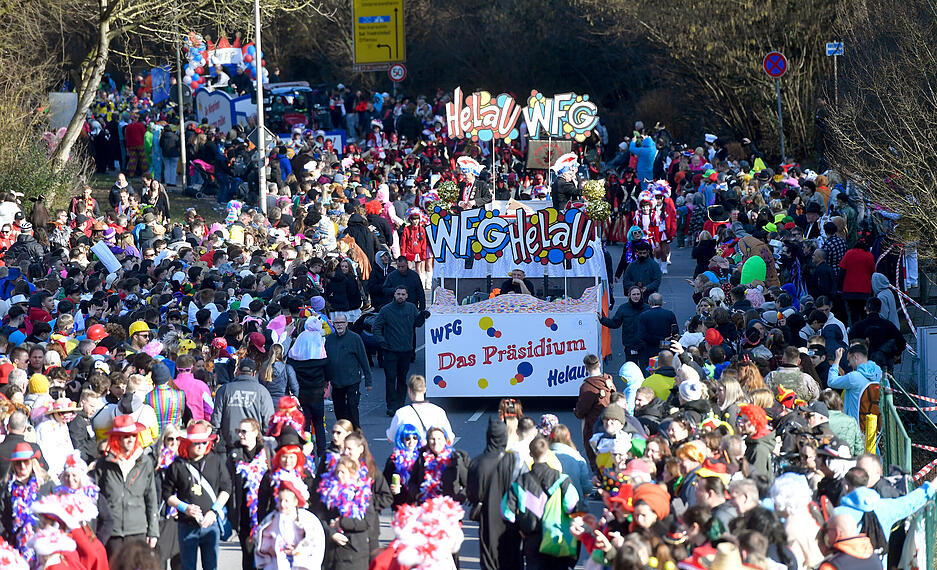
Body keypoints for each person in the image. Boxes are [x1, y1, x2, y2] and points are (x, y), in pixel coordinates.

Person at [161, 421, 232, 570]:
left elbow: (226, 488)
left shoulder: (215, 461)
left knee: (211, 566)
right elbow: (167, 493)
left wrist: (215, 511)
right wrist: (184, 507)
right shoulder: (177, 465)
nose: (201, 446)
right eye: (196, 443)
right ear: (188, 443)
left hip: (210, 523)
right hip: (186, 524)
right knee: (187, 567)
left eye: (204, 442)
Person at [501, 437, 580, 570]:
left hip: (531, 537)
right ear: (548, 452)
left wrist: (520, 527)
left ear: (530, 454)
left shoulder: (521, 482)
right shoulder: (562, 480)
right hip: (557, 536)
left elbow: (507, 513)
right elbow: (572, 505)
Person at [94, 415, 159, 555]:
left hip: (137, 530)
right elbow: (95, 498)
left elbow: (151, 498)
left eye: (133, 435)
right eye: (125, 436)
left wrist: (153, 532)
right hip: (112, 532)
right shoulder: (103, 463)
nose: (131, 439)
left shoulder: (145, 462)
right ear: (116, 438)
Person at [372, 286, 429, 415]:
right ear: (394, 295)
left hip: (406, 350)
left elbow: (418, 323)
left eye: (403, 294)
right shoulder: (386, 310)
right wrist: (382, 341)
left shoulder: (411, 308)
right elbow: (376, 327)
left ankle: (400, 404)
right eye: (398, 294)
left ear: (407, 296)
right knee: (391, 378)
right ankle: (391, 405)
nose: (401, 296)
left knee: (402, 378)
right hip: (390, 350)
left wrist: (423, 316)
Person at [253, 474, 325, 570]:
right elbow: (260, 541)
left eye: (286, 501)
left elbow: (316, 546)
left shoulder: (308, 520)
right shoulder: (270, 519)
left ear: (295, 502)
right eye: (280, 500)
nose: (283, 504)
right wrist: (270, 549)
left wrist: (297, 551)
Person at [0, 441, 54, 563]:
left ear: (33, 463)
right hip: (16, 546)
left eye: (26, 462)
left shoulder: (47, 485)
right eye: (18, 463)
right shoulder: (6, 487)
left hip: (43, 546)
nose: (22, 466)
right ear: (13, 465)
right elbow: (2, 516)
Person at [228, 418, 269, 570]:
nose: (241, 435)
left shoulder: (266, 454)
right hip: (244, 515)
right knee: (248, 555)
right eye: (239, 431)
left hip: (264, 514)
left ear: (255, 432)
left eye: (244, 431)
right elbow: (228, 484)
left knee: (266, 557)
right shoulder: (234, 455)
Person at [211, 357, 274, 452]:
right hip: (253, 444)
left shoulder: (224, 390)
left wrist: (214, 435)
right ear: (253, 373)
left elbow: (216, 418)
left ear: (238, 371)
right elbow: (268, 419)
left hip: (229, 444)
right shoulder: (262, 391)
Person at [324, 313, 372, 428]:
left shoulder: (355, 338)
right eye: (337, 323)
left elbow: (364, 360)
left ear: (346, 324)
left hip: (352, 380)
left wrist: (368, 381)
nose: (339, 325)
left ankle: (356, 432)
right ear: (333, 324)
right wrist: (325, 380)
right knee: (339, 410)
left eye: (341, 322)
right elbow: (325, 360)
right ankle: (343, 432)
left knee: (352, 407)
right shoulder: (329, 339)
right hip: (336, 382)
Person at [574, 353, 616, 470]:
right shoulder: (608, 382)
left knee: (595, 456)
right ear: (599, 365)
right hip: (611, 421)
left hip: (594, 425)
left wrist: (576, 412)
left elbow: (582, 410)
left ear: (586, 367)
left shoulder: (587, 387)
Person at [385, 374, 453, 442]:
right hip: (432, 451)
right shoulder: (438, 411)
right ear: (425, 390)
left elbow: (391, 437)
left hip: (411, 451)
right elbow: (450, 437)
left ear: (409, 390)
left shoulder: (401, 413)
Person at [828, 345, 882, 424]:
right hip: (877, 427)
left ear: (855, 357)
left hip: (856, 427)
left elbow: (831, 381)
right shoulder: (881, 375)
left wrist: (837, 359)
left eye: (849, 360)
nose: (849, 365)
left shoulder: (854, 377)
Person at [599, 285, 648, 364]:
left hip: (644, 345)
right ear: (629, 295)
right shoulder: (623, 308)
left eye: (638, 294)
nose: (636, 296)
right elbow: (615, 323)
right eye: (634, 294)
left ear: (641, 295)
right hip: (630, 345)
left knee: (645, 370)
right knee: (631, 370)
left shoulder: (647, 308)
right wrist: (602, 319)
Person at [383, 424, 422, 508]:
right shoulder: (393, 459)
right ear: (402, 439)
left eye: (414, 437)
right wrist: (392, 488)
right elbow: (385, 480)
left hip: (419, 501)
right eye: (408, 438)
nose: (411, 441)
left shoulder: (423, 456)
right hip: (401, 501)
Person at [635, 293, 678, 369]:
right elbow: (675, 331)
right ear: (662, 302)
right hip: (666, 347)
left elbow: (642, 335)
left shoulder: (644, 315)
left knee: (651, 372)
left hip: (650, 349)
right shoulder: (670, 314)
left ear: (649, 302)